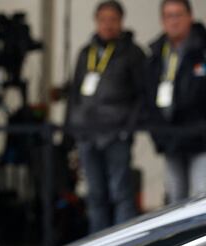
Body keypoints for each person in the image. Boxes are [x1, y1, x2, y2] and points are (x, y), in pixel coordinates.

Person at [66, 0, 145, 233]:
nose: (108, 25)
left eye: (113, 20)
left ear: (121, 22)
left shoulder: (132, 52)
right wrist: (72, 127)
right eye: (103, 20)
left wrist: (128, 128)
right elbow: (75, 91)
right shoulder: (86, 52)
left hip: (116, 133)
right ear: (96, 22)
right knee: (95, 194)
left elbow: (142, 95)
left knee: (120, 192)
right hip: (88, 133)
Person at [146, 0, 206, 203]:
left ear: (190, 16)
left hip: (201, 138)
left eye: (178, 15)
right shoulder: (156, 52)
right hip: (171, 137)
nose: (174, 21)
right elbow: (148, 95)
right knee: (175, 200)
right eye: (168, 16)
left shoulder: (201, 49)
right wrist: (157, 132)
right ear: (162, 21)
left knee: (201, 197)